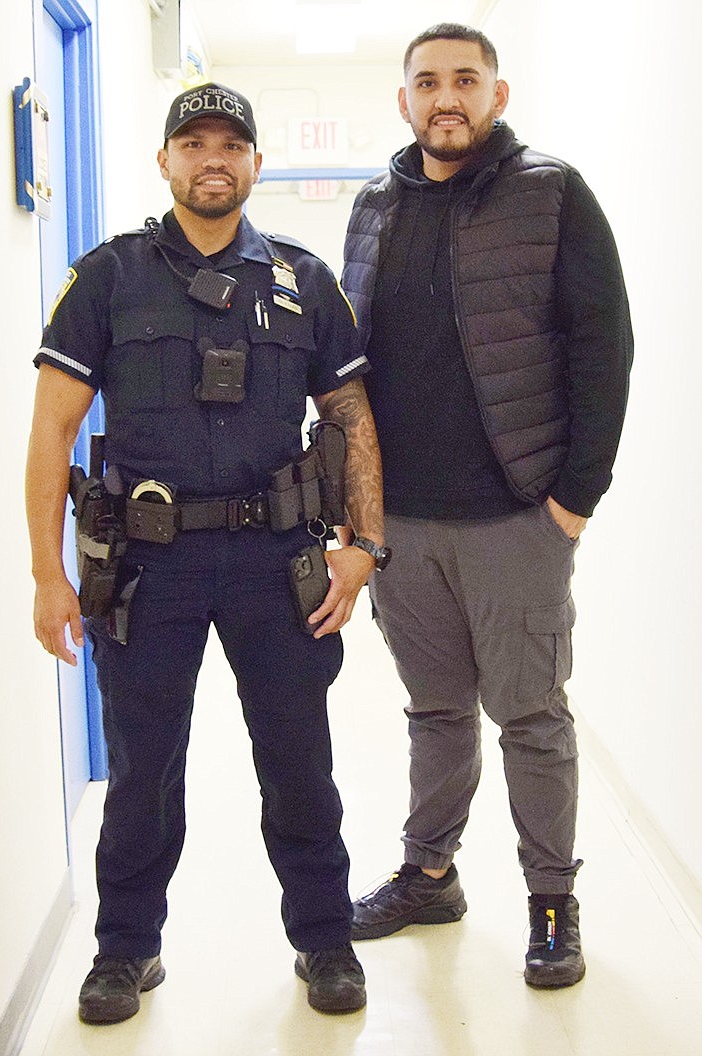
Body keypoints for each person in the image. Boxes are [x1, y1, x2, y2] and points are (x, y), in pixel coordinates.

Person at [26, 81, 387, 1023]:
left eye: (232, 143)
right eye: (194, 143)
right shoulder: (108, 277)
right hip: (148, 565)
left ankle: (324, 939)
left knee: (298, 758)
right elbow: (52, 430)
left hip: (278, 562)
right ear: (165, 161)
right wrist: (45, 574)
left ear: (256, 164)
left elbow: (349, 416)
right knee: (144, 767)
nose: (213, 158)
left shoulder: (304, 282)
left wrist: (364, 544)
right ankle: (125, 950)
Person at [341, 24, 632, 988]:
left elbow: (604, 346)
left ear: (496, 96)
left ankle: (552, 902)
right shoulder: (375, 206)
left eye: (465, 79)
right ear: (405, 102)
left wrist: (571, 503)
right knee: (434, 711)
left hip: (517, 518)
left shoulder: (550, 191)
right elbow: (351, 369)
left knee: (530, 716)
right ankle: (431, 873)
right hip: (405, 528)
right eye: (427, 82)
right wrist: (358, 508)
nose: (446, 97)